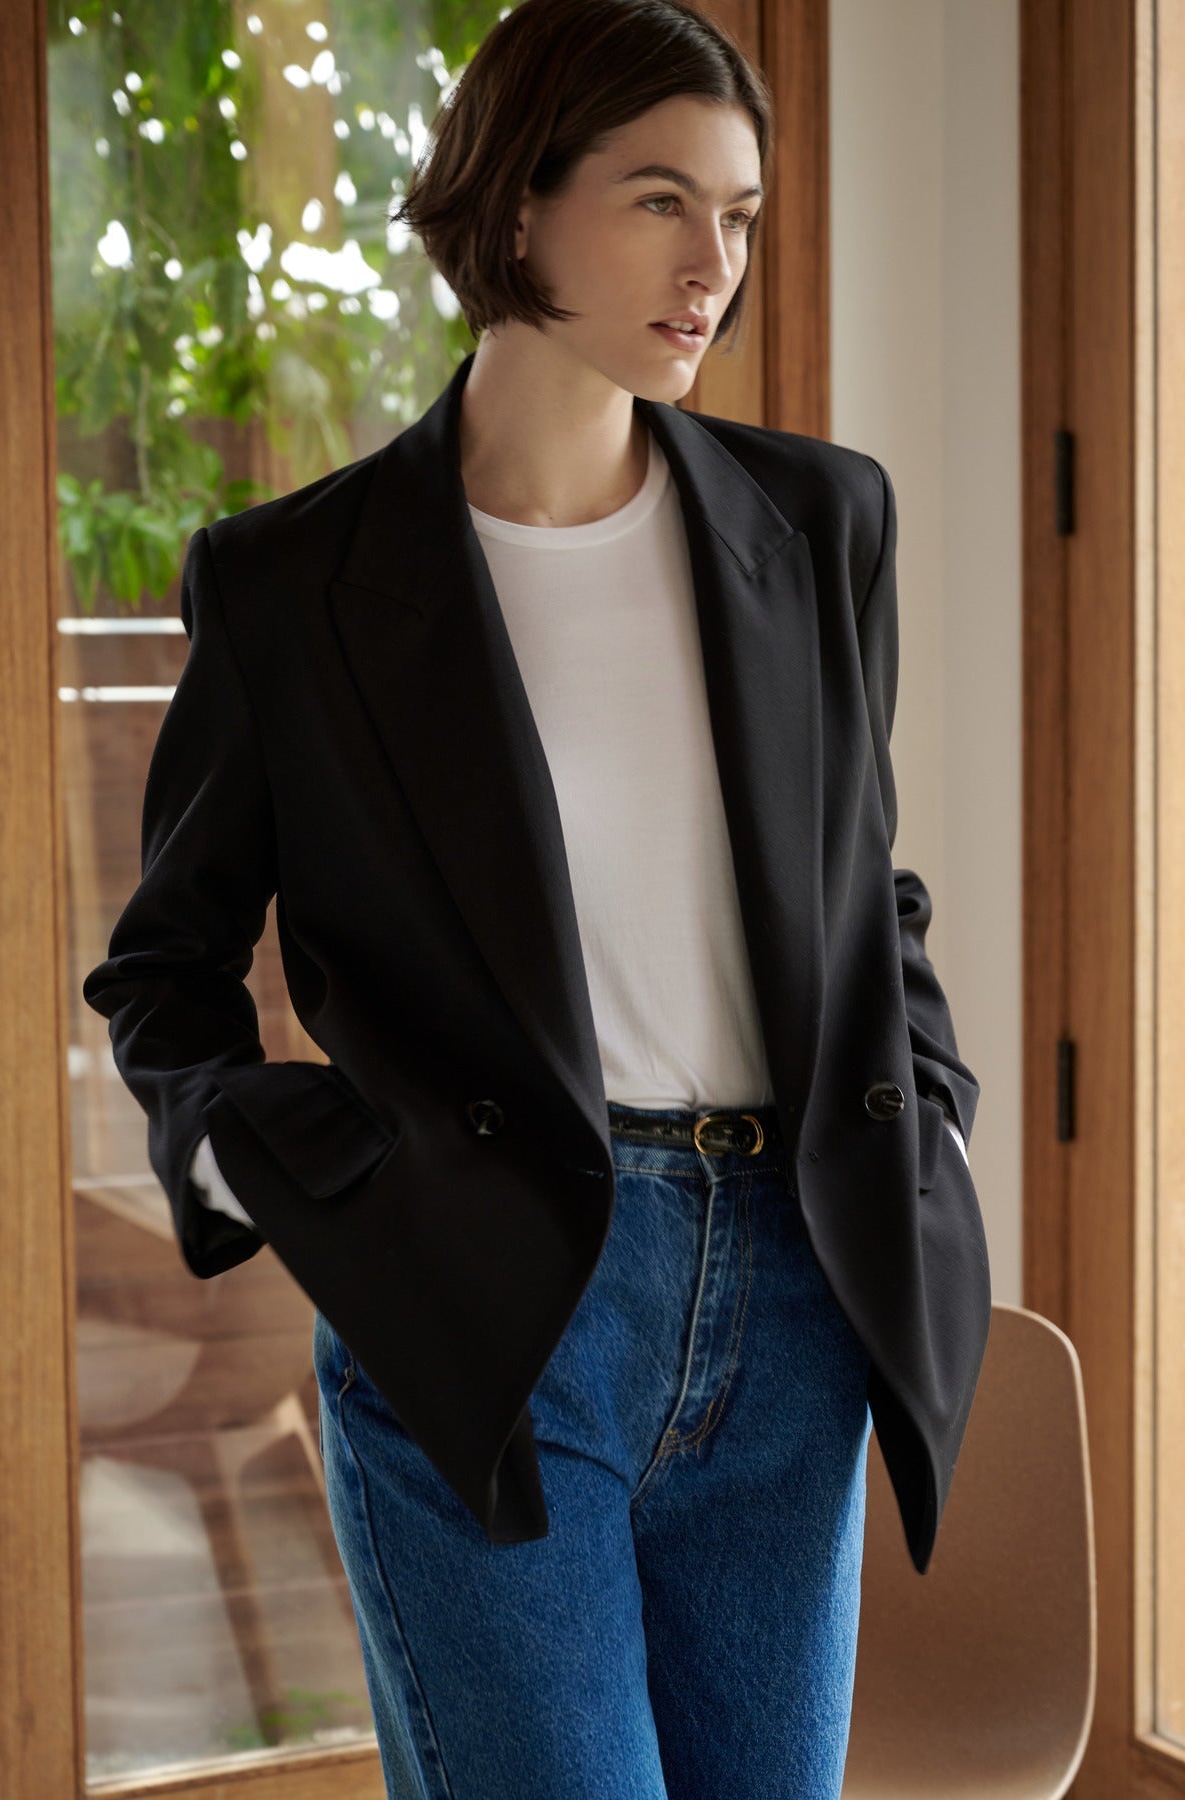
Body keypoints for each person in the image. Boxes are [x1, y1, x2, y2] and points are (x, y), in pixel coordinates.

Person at [83, 0, 991, 1794]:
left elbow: (862, 887)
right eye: (661, 201)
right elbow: (165, 966)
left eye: (739, 214)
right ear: (515, 206)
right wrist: (289, 1174)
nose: (713, 264)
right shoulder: (295, 584)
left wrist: (934, 1119)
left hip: (796, 1293)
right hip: (490, 1307)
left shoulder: (822, 524)